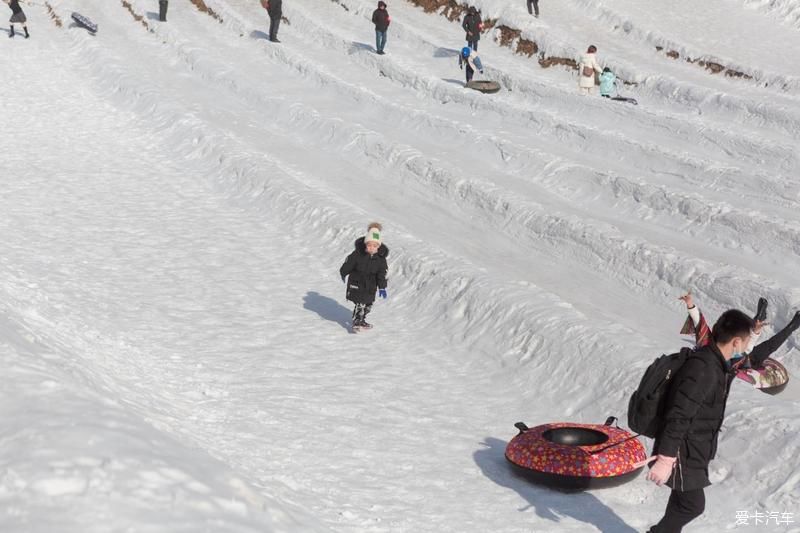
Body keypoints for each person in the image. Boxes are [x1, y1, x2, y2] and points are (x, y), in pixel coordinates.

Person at [646, 309, 755, 532]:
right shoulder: (704, 368)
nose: (745, 349)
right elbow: (679, 414)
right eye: (745, 343)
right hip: (682, 449)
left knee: (681, 502)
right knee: (692, 506)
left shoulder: (716, 363)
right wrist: (666, 458)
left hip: (694, 448)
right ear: (736, 342)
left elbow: (754, 356)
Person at [679, 292, 800, 370]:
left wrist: (690, 305)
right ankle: (790, 326)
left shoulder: (711, 342)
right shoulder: (720, 359)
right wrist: (755, 333)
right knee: (769, 345)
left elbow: (699, 323)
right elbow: (746, 349)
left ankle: (761, 317)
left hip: (744, 353)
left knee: (742, 330)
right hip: (749, 363)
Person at [339, 223, 389, 330]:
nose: (371, 248)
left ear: (378, 247)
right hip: (357, 283)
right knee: (360, 304)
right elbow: (349, 264)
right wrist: (343, 272)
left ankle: (362, 319)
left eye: (374, 246)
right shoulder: (358, 254)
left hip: (371, 287)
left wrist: (382, 287)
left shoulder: (381, 260)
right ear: (366, 244)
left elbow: (381, 274)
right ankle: (357, 321)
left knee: (368, 305)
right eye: (369, 245)